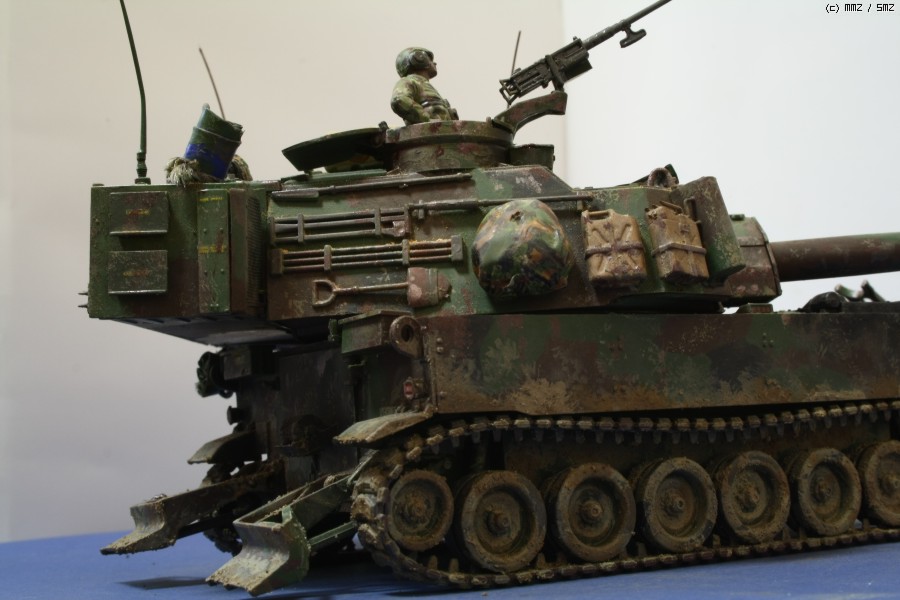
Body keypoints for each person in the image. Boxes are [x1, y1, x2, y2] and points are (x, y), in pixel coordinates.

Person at [391, 47, 458, 125]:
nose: (435, 63)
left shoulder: (425, 85)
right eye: (430, 60)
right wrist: (427, 120)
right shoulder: (409, 81)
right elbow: (399, 100)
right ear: (419, 59)